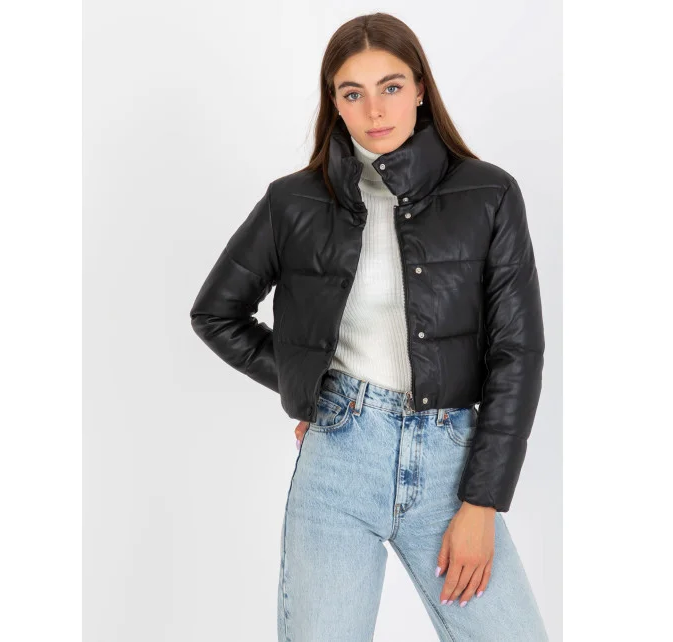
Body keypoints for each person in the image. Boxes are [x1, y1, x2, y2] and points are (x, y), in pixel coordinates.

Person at [190, 12, 549, 642]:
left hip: (451, 464)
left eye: (391, 86)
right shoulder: (293, 202)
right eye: (352, 92)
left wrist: (483, 501)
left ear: (420, 89)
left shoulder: (489, 194)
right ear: (334, 103)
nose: (374, 109)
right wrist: (310, 386)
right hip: (339, 460)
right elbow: (216, 313)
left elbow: (516, 352)